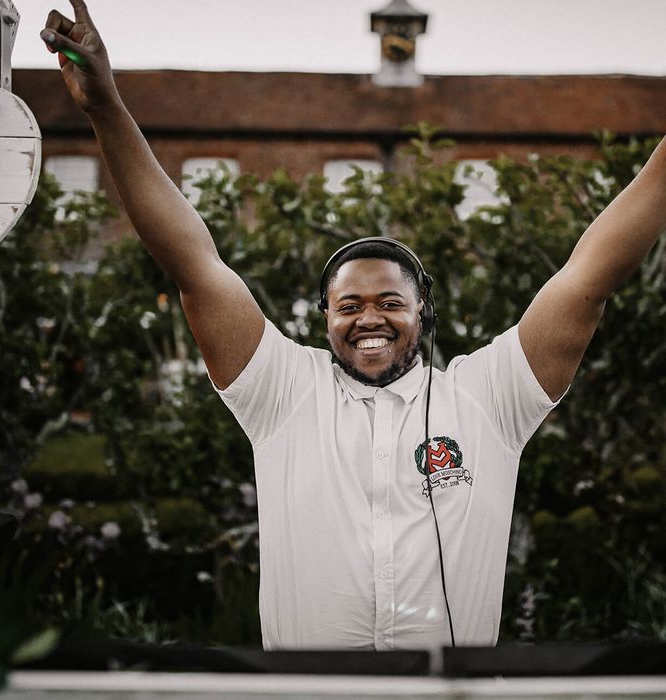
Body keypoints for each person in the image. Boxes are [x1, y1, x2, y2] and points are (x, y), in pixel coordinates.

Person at [42, 1, 666, 650]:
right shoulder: (280, 390)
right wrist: (106, 108)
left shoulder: (488, 397)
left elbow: (588, 278)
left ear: (424, 310)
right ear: (325, 320)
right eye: (349, 305)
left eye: (391, 302)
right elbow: (193, 264)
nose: (370, 317)